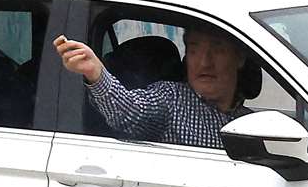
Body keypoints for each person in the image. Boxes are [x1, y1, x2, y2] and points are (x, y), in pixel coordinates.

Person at [55, 26, 251, 149]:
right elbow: (129, 111)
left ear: (239, 58)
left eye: (217, 50)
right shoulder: (172, 98)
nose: (204, 62)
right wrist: (96, 73)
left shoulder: (252, 123)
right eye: (194, 50)